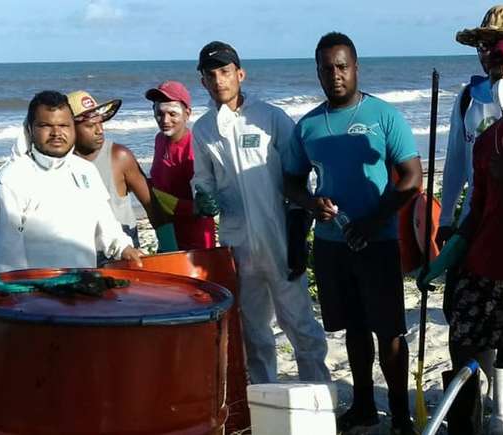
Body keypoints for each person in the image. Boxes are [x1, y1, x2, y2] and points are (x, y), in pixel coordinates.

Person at [283, 32, 423, 435]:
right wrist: (312, 205)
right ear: (317, 73)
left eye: (342, 66)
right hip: (331, 246)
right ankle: (363, 405)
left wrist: (372, 220)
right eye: (327, 68)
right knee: (354, 330)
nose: (335, 75)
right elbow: (291, 181)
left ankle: (399, 415)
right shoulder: (308, 125)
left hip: (377, 242)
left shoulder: (384, 116)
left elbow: (412, 177)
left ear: (356, 67)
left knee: (390, 332)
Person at [420, 39, 503, 435]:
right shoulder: (485, 139)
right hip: (481, 259)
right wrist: (445, 256)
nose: (501, 84)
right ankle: (468, 429)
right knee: (463, 345)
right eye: (495, 76)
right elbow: (477, 208)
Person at [191, 41, 329, 386]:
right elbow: (203, 179)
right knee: (254, 331)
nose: (219, 80)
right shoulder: (203, 129)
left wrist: (299, 234)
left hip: (279, 239)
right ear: (203, 81)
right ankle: (265, 400)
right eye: (211, 75)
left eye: (225, 72)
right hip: (238, 244)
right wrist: (203, 196)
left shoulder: (270, 118)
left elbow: (298, 175)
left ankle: (319, 395)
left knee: (300, 324)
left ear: (240, 73)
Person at [0, 90, 142, 273]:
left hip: (84, 285)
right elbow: (6, 257)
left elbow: (106, 226)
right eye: (45, 125)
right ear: (29, 129)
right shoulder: (9, 179)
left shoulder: (86, 171)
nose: (56, 133)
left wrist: (124, 248)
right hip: (38, 293)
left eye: (64, 125)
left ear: (73, 128)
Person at [67, 90, 152, 252]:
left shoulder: (119, 157)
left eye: (100, 123)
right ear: (70, 128)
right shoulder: (61, 164)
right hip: (84, 255)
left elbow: (151, 206)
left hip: (124, 254)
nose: (99, 130)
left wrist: (168, 246)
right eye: (90, 126)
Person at [145, 80, 216, 250]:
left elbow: (204, 207)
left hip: (195, 237)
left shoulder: (195, 148)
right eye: (159, 113)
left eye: (172, 114)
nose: (165, 120)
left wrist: (158, 198)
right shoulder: (160, 139)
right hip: (167, 231)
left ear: (187, 113)